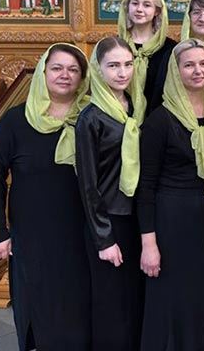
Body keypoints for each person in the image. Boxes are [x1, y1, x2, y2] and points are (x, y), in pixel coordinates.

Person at [0, 43, 92, 351]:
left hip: (81, 233)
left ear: (83, 77)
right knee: (39, 305)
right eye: (57, 68)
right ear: (43, 72)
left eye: (73, 70)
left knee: (78, 307)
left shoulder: (91, 116)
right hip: (32, 236)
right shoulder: (16, 120)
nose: (64, 75)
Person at [137, 39, 204, 350]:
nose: (198, 70)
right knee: (173, 299)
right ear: (175, 71)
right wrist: (149, 244)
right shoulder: (159, 120)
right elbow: (146, 187)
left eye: (203, 63)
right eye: (189, 65)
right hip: (171, 224)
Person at [76, 37, 144, 351]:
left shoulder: (138, 107)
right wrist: (104, 239)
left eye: (127, 64)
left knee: (134, 298)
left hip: (137, 217)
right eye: (113, 65)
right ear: (98, 69)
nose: (122, 72)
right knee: (111, 303)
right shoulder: (91, 118)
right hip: (109, 221)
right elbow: (88, 184)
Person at [117, 0, 177, 120]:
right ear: (127, 7)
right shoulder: (115, 46)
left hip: (159, 121)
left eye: (147, 5)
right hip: (118, 122)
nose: (139, 9)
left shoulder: (170, 49)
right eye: (135, 3)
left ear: (156, 11)